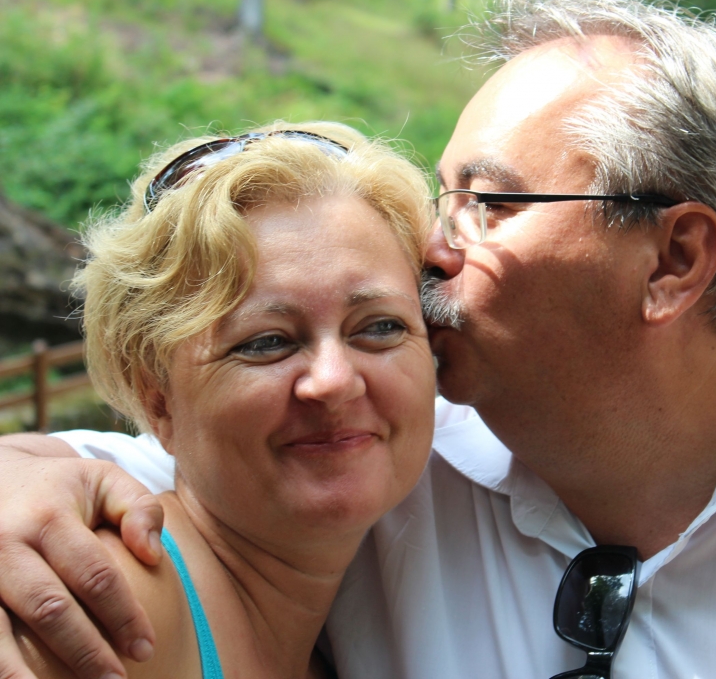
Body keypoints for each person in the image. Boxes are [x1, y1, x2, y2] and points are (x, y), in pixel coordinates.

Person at [3, 0, 716, 678]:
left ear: (674, 259)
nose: (432, 248)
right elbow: (164, 467)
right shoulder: (373, 465)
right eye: (441, 198)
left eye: (487, 203)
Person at [0, 121, 437, 678]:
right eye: (266, 342)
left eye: (379, 327)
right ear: (159, 402)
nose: (334, 380)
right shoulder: (116, 607)